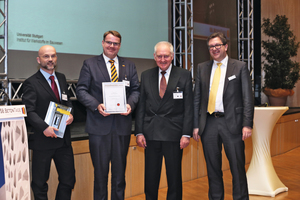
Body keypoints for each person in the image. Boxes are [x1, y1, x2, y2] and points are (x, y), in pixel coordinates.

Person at [76, 30, 140, 200]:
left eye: (116, 43)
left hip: (121, 127)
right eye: (109, 42)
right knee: (100, 175)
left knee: (120, 176)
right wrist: (97, 105)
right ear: (103, 43)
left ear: (120, 45)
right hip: (98, 128)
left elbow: (135, 90)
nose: (112, 46)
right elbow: (81, 90)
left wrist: (130, 104)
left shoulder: (129, 65)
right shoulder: (89, 64)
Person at [193, 32, 254, 200]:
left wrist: (247, 124)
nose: (214, 49)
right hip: (209, 123)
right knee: (213, 169)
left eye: (217, 45)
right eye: (211, 46)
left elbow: (247, 97)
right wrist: (196, 125)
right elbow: (197, 98)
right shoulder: (202, 68)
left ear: (225, 46)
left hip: (232, 124)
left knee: (237, 168)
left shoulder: (239, 67)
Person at [135, 41, 193, 200]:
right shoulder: (146, 75)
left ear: (172, 56)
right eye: (159, 56)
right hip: (150, 134)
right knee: (151, 176)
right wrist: (139, 132)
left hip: (174, 135)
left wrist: (186, 134)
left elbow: (189, 107)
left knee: (174, 177)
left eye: (166, 56)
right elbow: (141, 107)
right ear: (154, 57)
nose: (162, 59)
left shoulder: (184, 75)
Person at [22, 45, 75, 200]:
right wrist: (44, 128)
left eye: (53, 56)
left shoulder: (62, 78)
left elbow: (67, 103)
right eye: (46, 56)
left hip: (63, 140)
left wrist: (70, 114)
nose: (50, 59)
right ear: (39, 60)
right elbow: (29, 111)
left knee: (68, 180)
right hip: (43, 140)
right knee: (39, 184)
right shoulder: (31, 82)